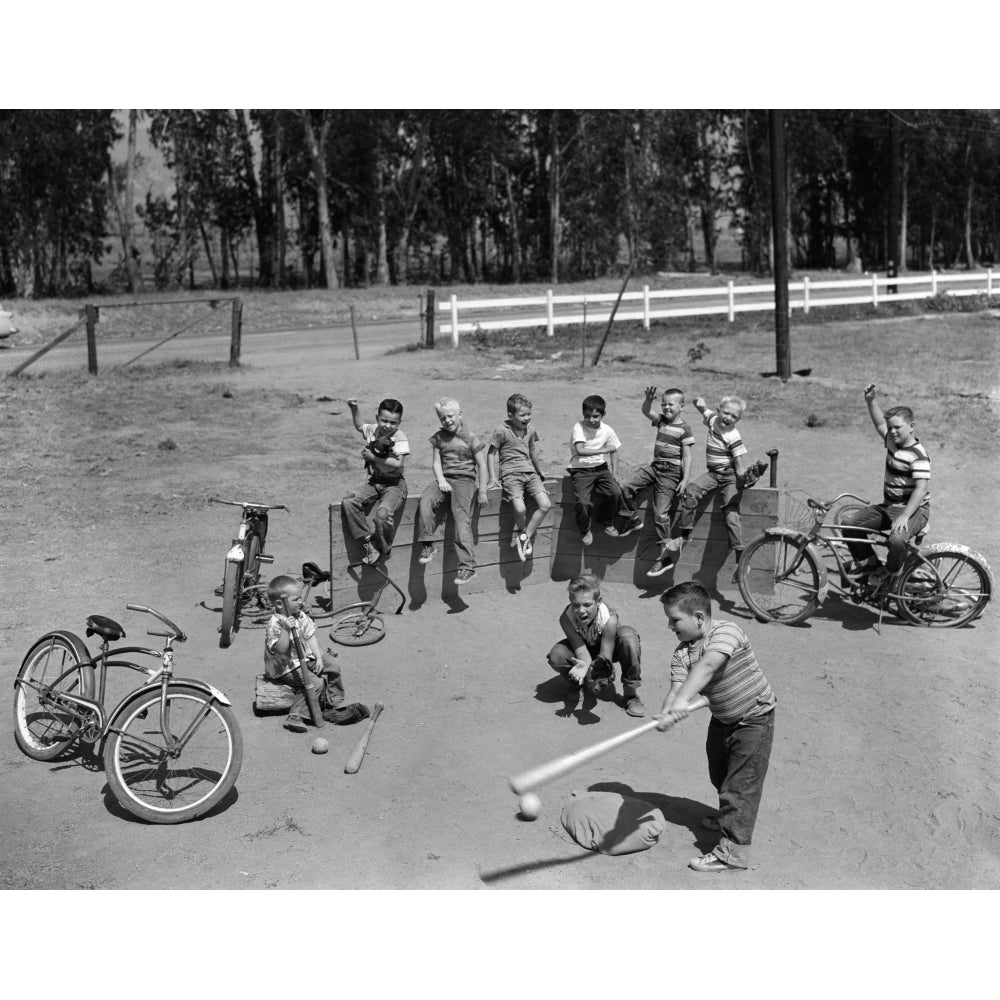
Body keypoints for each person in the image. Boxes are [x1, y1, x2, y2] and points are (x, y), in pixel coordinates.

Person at [657, 581, 776, 873]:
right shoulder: (682, 653)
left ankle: (732, 855)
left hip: (754, 718)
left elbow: (707, 667)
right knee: (721, 777)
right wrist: (667, 711)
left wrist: (683, 699)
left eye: (675, 620)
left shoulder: (727, 632)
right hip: (722, 719)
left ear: (698, 617)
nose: (670, 626)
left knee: (740, 787)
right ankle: (728, 817)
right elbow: (677, 687)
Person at [662, 394, 766, 577]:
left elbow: (738, 461)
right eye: (726, 413)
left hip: (729, 475)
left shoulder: (733, 435)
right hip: (712, 474)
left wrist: (742, 475)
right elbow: (702, 407)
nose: (728, 418)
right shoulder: (713, 419)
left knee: (731, 512)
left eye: (734, 417)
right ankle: (685, 535)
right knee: (690, 493)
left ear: (738, 420)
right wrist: (699, 402)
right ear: (719, 410)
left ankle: (741, 558)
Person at [839, 383, 930, 584]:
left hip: (914, 510)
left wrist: (905, 516)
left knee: (896, 540)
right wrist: (871, 401)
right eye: (892, 428)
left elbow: (921, 488)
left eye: (898, 427)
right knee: (849, 525)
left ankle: (892, 575)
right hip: (889, 507)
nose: (893, 431)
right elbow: (881, 424)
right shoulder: (892, 442)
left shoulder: (918, 455)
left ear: (912, 427)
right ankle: (871, 565)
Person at [264, 575, 368, 732]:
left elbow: (310, 635)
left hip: (305, 656)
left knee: (332, 665)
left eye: (300, 598)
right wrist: (286, 629)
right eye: (296, 599)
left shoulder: (299, 614)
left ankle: (335, 701)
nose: (301, 602)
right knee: (316, 683)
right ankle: (296, 716)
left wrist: (319, 657)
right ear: (279, 603)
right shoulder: (275, 624)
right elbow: (281, 650)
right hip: (285, 666)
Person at [615, 386, 695, 577]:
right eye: (664, 404)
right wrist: (649, 400)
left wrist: (685, 479)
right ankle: (632, 518)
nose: (667, 407)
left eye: (671, 404)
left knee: (661, 513)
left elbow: (688, 457)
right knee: (626, 485)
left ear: (682, 406)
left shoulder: (684, 429)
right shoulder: (661, 421)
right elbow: (646, 411)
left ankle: (665, 558)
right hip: (655, 467)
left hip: (671, 473)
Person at [546, 572, 645, 717]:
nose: (580, 611)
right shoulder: (566, 618)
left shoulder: (609, 618)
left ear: (598, 601)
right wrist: (584, 668)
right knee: (557, 655)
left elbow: (605, 655)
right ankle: (576, 682)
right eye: (575, 605)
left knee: (629, 637)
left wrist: (600, 673)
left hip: (607, 650)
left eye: (587, 605)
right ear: (570, 600)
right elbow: (580, 650)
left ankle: (630, 694)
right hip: (583, 649)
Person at [417, 397, 489, 585]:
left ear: (459, 415)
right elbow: (436, 462)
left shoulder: (471, 438)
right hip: (445, 479)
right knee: (425, 500)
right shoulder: (439, 437)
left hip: (465, 481)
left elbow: (482, 465)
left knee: (461, 519)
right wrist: (440, 480)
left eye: (450, 416)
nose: (447, 421)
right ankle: (427, 544)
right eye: (443, 418)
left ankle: (467, 566)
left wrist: (482, 490)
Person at [342, 397, 410, 566]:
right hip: (374, 482)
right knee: (349, 500)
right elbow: (359, 426)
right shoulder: (373, 430)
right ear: (377, 417)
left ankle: (383, 549)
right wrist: (354, 408)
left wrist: (372, 457)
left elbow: (397, 463)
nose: (388, 425)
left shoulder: (399, 437)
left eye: (393, 422)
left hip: (394, 484)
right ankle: (368, 541)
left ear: (399, 422)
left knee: (382, 515)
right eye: (384, 420)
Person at [486, 392, 552, 561]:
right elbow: (491, 454)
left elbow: (532, 452)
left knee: (545, 505)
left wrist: (540, 470)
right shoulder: (501, 431)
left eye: (529, 414)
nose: (526, 418)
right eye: (522, 415)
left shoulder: (530, 430)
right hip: (510, 475)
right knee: (520, 508)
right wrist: (493, 478)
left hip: (530, 473)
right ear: (510, 415)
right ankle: (521, 531)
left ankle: (525, 537)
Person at [568, 394, 623, 546]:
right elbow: (580, 450)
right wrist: (603, 450)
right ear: (583, 414)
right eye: (587, 416)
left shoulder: (608, 430)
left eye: (595, 416)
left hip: (601, 469)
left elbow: (614, 451)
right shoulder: (578, 427)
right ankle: (584, 528)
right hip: (581, 469)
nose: (591, 420)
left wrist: (615, 472)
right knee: (583, 503)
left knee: (615, 492)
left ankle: (606, 520)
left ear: (603, 415)